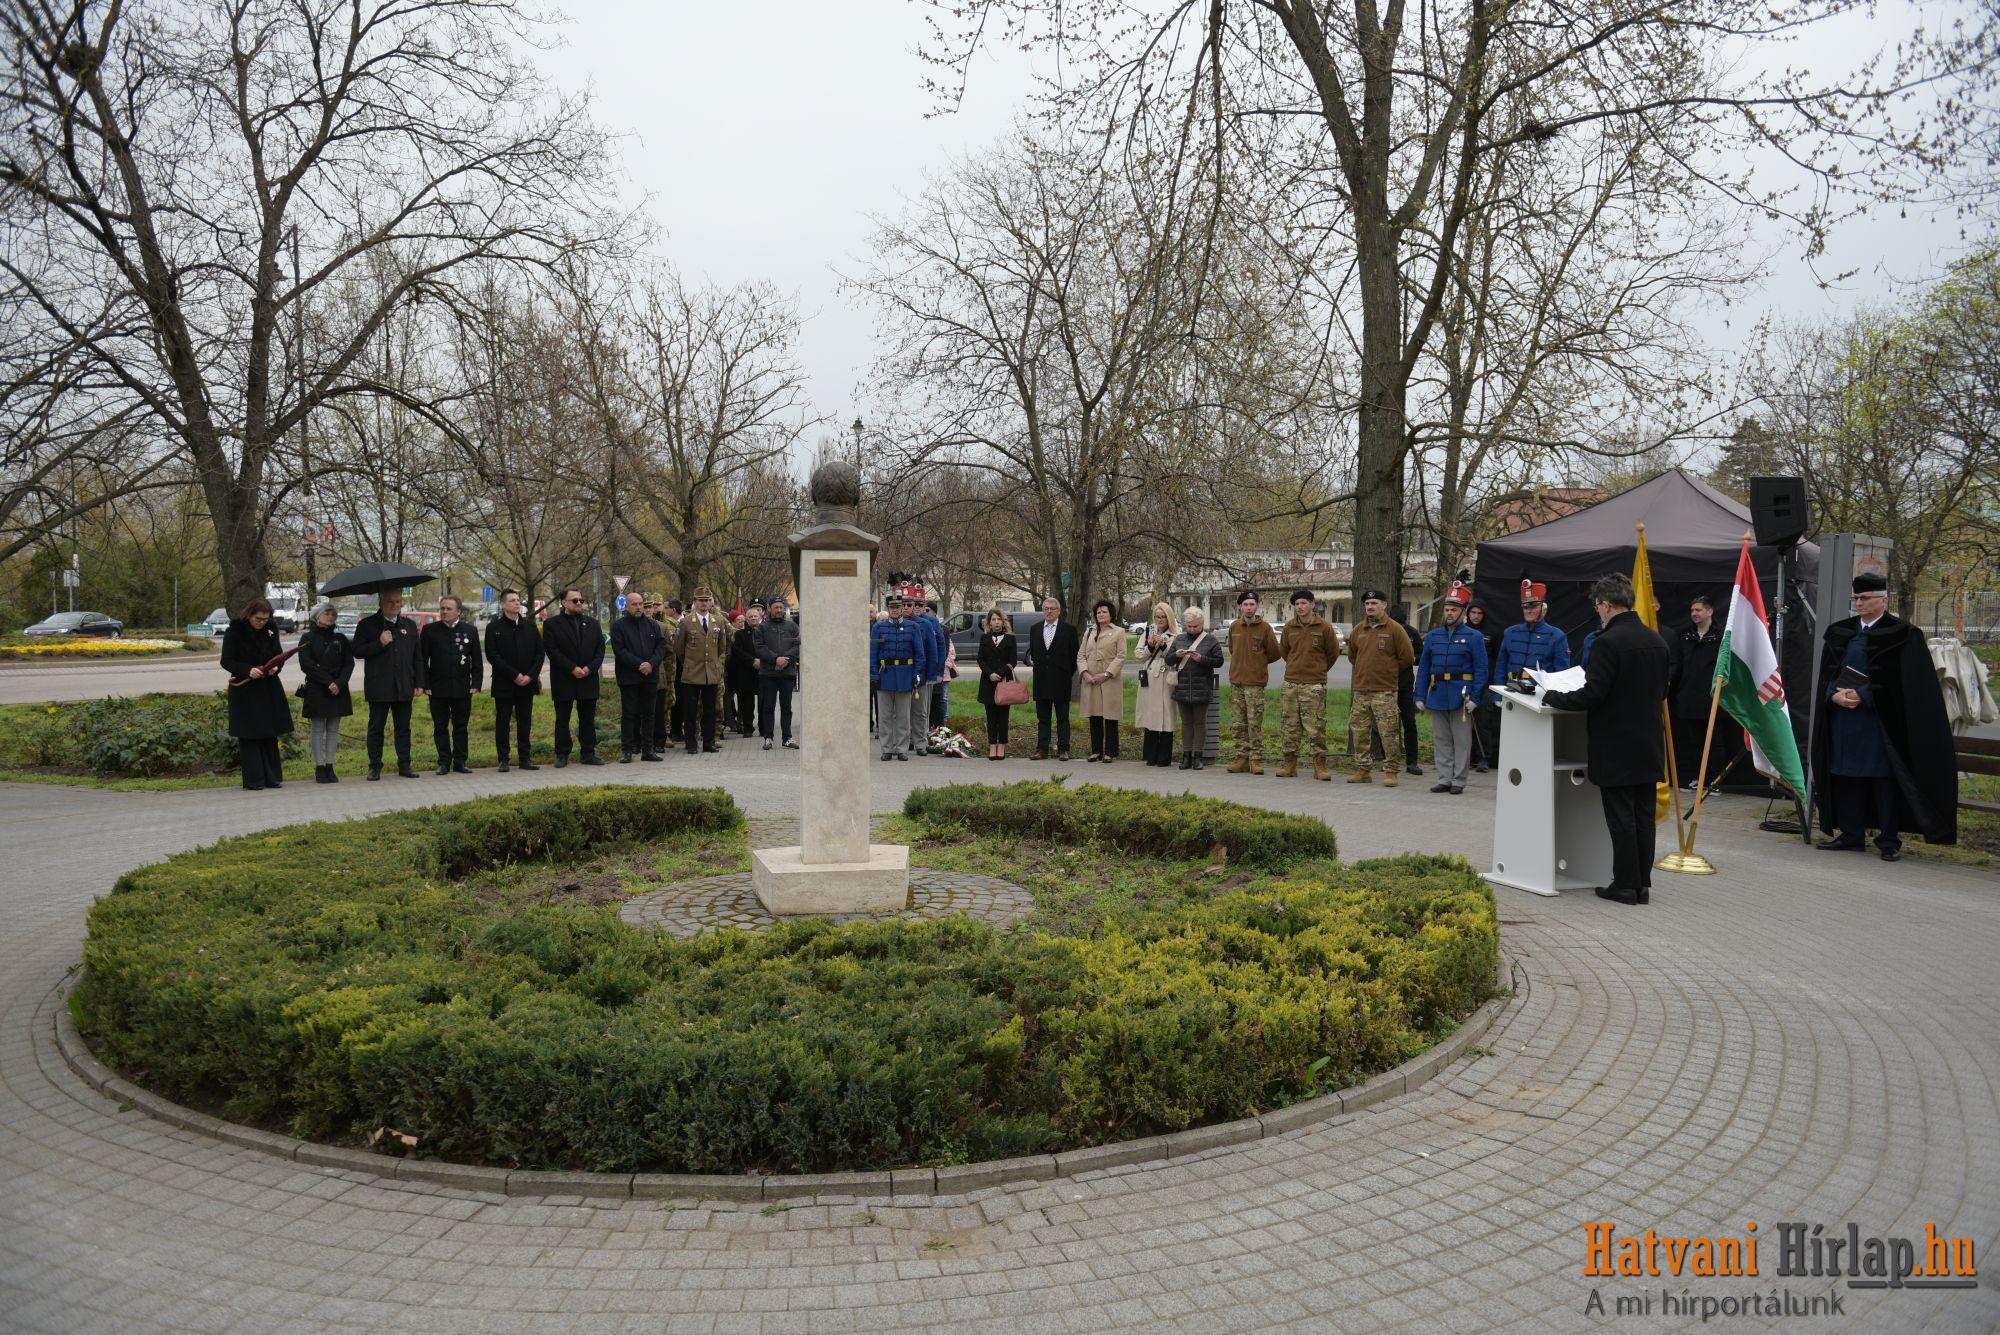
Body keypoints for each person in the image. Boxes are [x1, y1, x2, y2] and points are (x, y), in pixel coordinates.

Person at [1541, 573, 1670, 905]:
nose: (1598, 611)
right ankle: (1641, 885)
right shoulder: (1656, 640)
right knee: (1643, 816)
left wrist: (1552, 696)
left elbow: (1593, 694)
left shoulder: (1607, 642)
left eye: (1598, 605)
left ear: (1607, 605)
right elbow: (1663, 690)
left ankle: (1624, 884)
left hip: (1616, 744)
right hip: (1648, 742)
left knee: (1621, 816)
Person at [1810, 572, 1957, 860]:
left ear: (1884, 600)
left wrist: (1865, 695)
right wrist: (1832, 695)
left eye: (1865, 598)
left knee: (1883, 779)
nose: (1859, 603)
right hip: (1843, 720)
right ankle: (1851, 835)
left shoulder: (1903, 634)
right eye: (1856, 598)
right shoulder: (1841, 632)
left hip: (1880, 722)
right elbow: (1828, 673)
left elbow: (1908, 683)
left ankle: (1888, 840)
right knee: (1846, 776)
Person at [1414, 583, 1489, 795]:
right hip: (1438, 693)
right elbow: (1424, 668)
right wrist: (1419, 695)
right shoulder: (1434, 636)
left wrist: (1476, 697)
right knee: (1441, 740)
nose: (1449, 613)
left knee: (1462, 741)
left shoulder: (1474, 637)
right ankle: (1444, 778)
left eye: (1454, 610)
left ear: (1463, 612)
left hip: (1461, 695)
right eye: (1447, 609)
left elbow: (1481, 669)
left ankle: (1459, 780)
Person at [221, 597, 293, 790]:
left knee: (269, 732)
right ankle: (254, 779)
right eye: (258, 619)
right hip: (245, 689)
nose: (261, 622)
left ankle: (272, 777)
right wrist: (247, 670)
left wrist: (276, 668)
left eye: (265, 619)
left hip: (268, 687)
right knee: (250, 734)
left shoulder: (271, 630)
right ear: (249, 615)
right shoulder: (234, 632)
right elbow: (226, 660)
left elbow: (278, 655)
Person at [1345, 589, 1415, 786]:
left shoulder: (1395, 629)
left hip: (1384, 691)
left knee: (1389, 732)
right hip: (1361, 690)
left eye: (1374, 603)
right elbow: (1353, 656)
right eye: (1367, 604)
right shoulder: (1359, 630)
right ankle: (1363, 770)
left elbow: (1407, 657)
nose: (1370, 607)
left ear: (1384, 605)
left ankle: (1391, 771)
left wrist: (1387, 669)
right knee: (1359, 732)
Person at [354, 588, 425, 780]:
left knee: (403, 728)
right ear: (381, 603)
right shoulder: (367, 625)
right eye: (390, 602)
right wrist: (379, 643)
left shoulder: (409, 625)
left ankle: (405, 765)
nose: (394, 605)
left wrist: (419, 682)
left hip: (404, 685)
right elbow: (357, 651)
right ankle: (374, 766)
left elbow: (417, 657)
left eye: (398, 602)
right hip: (379, 685)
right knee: (376, 728)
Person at [1277, 589, 1342, 780]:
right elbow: (1284, 651)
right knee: (1289, 726)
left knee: (1316, 727)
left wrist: (1318, 670)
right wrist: (1295, 666)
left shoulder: (1324, 627)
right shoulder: (1289, 627)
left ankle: (1319, 766)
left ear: (1313, 604)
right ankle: (1290, 764)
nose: (1300, 607)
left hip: (1314, 685)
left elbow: (1333, 653)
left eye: (1304, 603)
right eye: (1297, 604)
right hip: (1291, 683)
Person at [1667, 596, 1727, 789]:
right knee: (1694, 742)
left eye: (1698, 610)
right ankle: (1698, 778)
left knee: (1715, 741)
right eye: (1692, 610)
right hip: (1689, 697)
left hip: (1711, 697)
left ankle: (1716, 780)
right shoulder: (1685, 636)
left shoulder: (1721, 636)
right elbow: (1677, 663)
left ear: (1709, 611)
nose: (1694, 613)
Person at [541, 587, 605, 767]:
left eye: (581, 600)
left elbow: (600, 650)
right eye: (574, 600)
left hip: (588, 678)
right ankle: (562, 754)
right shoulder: (552, 624)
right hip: (564, 678)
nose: (579, 603)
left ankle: (588, 753)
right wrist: (572, 668)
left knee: (587, 719)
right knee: (562, 719)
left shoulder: (593, 623)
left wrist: (589, 668)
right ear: (563, 603)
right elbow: (552, 650)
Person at [419, 594, 482, 774]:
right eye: (442, 608)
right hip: (437, 688)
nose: (444, 612)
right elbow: (422, 660)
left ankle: (460, 761)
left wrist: (476, 683)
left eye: (448, 609)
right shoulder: (430, 630)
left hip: (462, 687)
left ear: (458, 611)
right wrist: (425, 684)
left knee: (461, 726)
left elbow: (477, 660)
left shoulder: (470, 630)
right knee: (440, 726)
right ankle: (444, 762)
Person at [1225, 592, 1283, 774]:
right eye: (1245, 605)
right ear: (1240, 607)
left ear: (1257, 606)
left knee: (1254, 723)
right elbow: (1233, 649)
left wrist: (1257, 663)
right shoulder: (1234, 627)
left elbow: (1275, 653)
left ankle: (1256, 760)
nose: (1248, 608)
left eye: (1252, 604)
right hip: (1236, 682)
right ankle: (1241, 759)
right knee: (1238, 724)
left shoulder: (1265, 628)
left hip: (1255, 683)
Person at [485, 588, 543, 772]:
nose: (517, 603)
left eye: (518, 600)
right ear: (503, 605)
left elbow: (539, 654)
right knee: (503, 722)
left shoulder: (530, 626)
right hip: (504, 683)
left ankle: (525, 758)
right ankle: (503, 759)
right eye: (512, 600)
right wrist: (514, 675)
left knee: (524, 721)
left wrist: (530, 676)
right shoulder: (494, 628)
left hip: (527, 683)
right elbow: (493, 655)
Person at [296, 600, 353, 783]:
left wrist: (339, 683)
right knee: (318, 728)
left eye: (333, 614)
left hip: (338, 689)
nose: (331, 616)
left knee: (333, 729)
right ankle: (319, 767)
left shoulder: (341, 639)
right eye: (327, 613)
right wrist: (328, 682)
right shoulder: (307, 638)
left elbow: (349, 663)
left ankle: (330, 765)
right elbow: (307, 665)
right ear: (317, 616)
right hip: (317, 688)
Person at [610, 591, 667, 762]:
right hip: (629, 677)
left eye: (641, 604)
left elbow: (661, 647)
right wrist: (639, 665)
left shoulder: (652, 625)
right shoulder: (618, 626)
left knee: (649, 714)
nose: (639, 607)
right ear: (626, 606)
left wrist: (651, 664)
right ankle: (627, 750)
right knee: (629, 714)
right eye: (634, 604)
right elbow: (620, 650)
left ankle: (648, 750)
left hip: (650, 676)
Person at [1169, 608, 1225, 769]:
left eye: (1196, 626)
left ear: (1202, 624)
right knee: (1186, 723)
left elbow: (1219, 661)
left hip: (1202, 687)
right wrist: (1177, 656)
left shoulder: (1211, 640)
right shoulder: (1179, 639)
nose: (1192, 629)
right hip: (1182, 687)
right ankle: (1186, 756)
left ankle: (1198, 757)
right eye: (1189, 626)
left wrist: (1202, 659)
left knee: (1199, 723)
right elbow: (1168, 660)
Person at [674, 588, 728, 754]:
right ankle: (691, 743)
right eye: (701, 600)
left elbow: (721, 646)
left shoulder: (718, 621)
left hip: (711, 673)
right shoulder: (686, 622)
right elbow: (679, 648)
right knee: (690, 711)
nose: (704, 604)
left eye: (707, 600)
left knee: (710, 710)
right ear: (695, 602)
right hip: (692, 673)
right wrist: (689, 663)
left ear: (710, 602)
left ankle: (708, 742)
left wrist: (712, 663)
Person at [1026, 595, 1079, 760]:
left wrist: (1065, 673)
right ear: (1043, 611)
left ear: (1058, 611)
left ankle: (1063, 749)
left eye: (1052, 609)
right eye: (1046, 609)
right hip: (1041, 681)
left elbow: (1074, 656)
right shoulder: (1035, 629)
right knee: (1043, 718)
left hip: (1061, 681)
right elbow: (1034, 654)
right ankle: (1042, 749)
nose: (1049, 611)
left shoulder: (1069, 630)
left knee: (1063, 718)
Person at [871, 593, 922, 761]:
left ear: (901, 608)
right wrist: (874, 675)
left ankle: (901, 749)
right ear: (888, 609)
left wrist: (916, 674)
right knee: (885, 716)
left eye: (897, 607)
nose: (894, 610)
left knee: (903, 717)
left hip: (905, 675)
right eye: (891, 607)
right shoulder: (879, 627)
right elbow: (873, 653)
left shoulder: (913, 627)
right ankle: (886, 749)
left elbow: (919, 654)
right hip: (885, 675)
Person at [1496, 578, 1571, 688]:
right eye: (1525, 607)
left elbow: (1562, 673)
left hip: (1540, 693)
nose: (1528, 611)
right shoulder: (1510, 633)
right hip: (1510, 690)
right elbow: (1500, 668)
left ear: (1544, 610)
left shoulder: (1557, 636)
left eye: (1533, 606)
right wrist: (1498, 694)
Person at [1079, 598, 1127, 762]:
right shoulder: (1089, 632)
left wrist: (1106, 674)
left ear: (1111, 614)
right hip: (1091, 680)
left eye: (1104, 611)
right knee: (1094, 716)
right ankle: (1096, 750)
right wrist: (1085, 673)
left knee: (1110, 716)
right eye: (1098, 612)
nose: (1100, 614)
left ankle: (1110, 752)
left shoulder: (1119, 632)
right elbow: (1081, 655)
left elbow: (1121, 656)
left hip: (1109, 680)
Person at [752, 596, 801, 750]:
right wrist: (775, 660)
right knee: (768, 707)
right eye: (776, 607)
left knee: (787, 708)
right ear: (770, 609)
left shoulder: (792, 626)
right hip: (768, 674)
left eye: (781, 607)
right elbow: (759, 647)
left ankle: (787, 738)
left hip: (787, 673)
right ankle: (768, 738)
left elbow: (798, 645)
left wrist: (786, 659)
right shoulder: (762, 628)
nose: (779, 610)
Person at [1135, 603, 1179, 767]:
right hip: (1149, 677)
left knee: (1166, 714)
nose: (1160, 620)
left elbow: (1175, 656)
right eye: (1157, 617)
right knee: (1150, 714)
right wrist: (1151, 646)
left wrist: (1164, 645)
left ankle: (1164, 756)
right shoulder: (1148, 631)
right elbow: (1139, 655)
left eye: (1163, 617)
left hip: (1166, 675)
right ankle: (1150, 754)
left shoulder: (1176, 634)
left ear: (1169, 617)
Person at [1387, 602, 1424, 777]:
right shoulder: (1384, 631)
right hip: (1386, 684)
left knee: (1409, 722)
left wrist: (1410, 658)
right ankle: (1388, 761)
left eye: (1401, 624)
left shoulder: (1412, 633)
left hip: (1405, 685)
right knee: (1387, 725)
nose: (1399, 628)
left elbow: (1421, 655)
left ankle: (1412, 762)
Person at [975, 609, 1018, 760]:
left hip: (1004, 683)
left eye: (999, 619)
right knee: (991, 717)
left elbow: (1013, 661)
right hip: (988, 682)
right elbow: (980, 659)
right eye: (993, 619)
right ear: (989, 622)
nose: (996, 622)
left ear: (1003, 622)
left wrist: (999, 673)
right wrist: (990, 674)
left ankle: (1002, 746)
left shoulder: (1010, 639)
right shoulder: (984, 638)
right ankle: (992, 745)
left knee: (1003, 718)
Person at [1466, 598, 1503, 772]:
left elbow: (1497, 659)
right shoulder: (1461, 631)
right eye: (1473, 612)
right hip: (1464, 683)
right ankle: (1466, 758)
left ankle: (1484, 758)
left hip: (1485, 684)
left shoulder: (1492, 633)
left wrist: (1493, 682)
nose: (1476, 616)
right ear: (1468, 613)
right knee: (1463, 724)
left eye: (1479, 613)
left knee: (1484, 722)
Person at [726, 606, 761, 739]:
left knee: (764, 702)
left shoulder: (765, 632)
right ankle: (748, 728)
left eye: (755, 616)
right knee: (747, 703)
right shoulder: (739, 634)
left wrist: (762, 661)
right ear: (747, 619)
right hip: (746, 672)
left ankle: (764, 727)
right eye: (751, 616)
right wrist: (753, 661)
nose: (753, 618)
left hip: (763, 671)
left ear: (760, 617)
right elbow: (737, 652)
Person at [651, 596, 680, 752]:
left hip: (669, 670)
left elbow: (676, 646)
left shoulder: (672, 624)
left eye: (658, 604)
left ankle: (666, 733)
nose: (655, 608)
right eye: (652, 605)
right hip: (655, 668)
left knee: (668, 702)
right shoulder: (647, 623)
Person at [659, 597, 686, 748]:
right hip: (667, 670)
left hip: (682, 667)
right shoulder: (664, 624)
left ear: (673, 610)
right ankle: (671, 732)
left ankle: (677, 730)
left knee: (679, 700)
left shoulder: (684, 623)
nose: (662, 610)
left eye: (664, 607)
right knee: (670, 701)